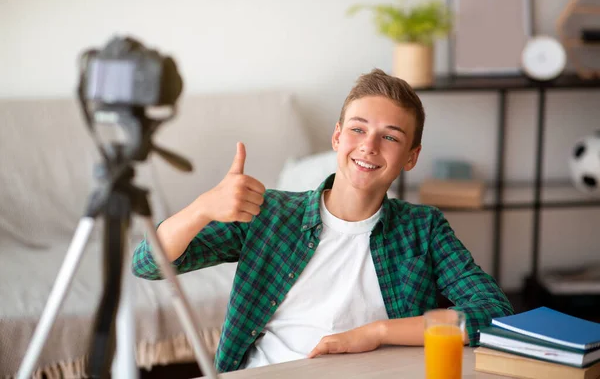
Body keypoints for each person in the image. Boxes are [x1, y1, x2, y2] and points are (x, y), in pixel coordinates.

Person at [131, 68, 513, 373]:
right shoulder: (271, 214)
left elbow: (493, 313)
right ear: (336, 137)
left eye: (390, 137)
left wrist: (376, 333)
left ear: (411, 157)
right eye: (358, 129)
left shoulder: (423, 228)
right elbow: (148, 264)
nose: (369, 145)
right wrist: (202, 208)